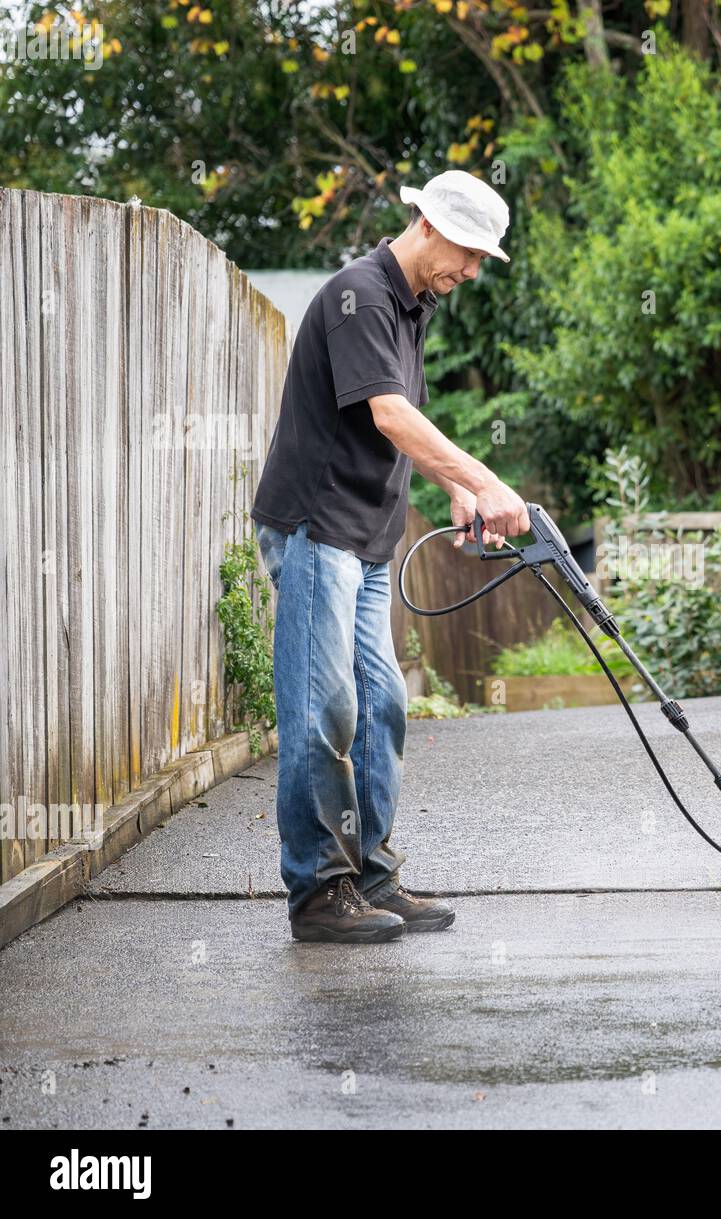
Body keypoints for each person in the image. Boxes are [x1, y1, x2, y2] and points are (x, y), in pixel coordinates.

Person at [250, 171, 529, 943]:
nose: (472, 270)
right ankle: (318, 890)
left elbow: (403, 421)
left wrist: (456, 492)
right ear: (429, 225)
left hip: (369, 537)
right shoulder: (359, 294)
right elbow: (389, 411)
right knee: (325, 707)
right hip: (316, 528)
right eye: (469, 253)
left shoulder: (414, 304)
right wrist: (484, 477)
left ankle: (369, 871)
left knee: (383, 705)